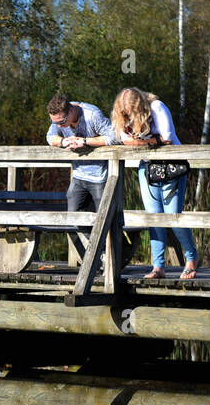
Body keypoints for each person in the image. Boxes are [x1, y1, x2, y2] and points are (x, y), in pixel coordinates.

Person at [109, 88, 201, 280]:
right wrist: (147, 141)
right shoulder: (123, 118)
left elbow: (167, 137)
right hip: (148, 168)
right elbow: (122, 138)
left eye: (131, 112)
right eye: (125, 113)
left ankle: (191, 258)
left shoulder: (156, 107)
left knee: (173, 217)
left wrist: (140, 142)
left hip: (172, 166)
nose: (128, 116)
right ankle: (158, 266)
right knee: (153, 218)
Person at [46, 93, 131, 271]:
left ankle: (115, 261)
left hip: (101, 176)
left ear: (70, 111)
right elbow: (50, 136)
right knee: (73, 218)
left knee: (107, 220)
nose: (60, 125)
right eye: (57, 123)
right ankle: (96, 258)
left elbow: (114, 137)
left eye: (62, 122)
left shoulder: (92, 114)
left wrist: (85, 141)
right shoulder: (58, 119)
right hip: (78, 175)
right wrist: (63, 141)